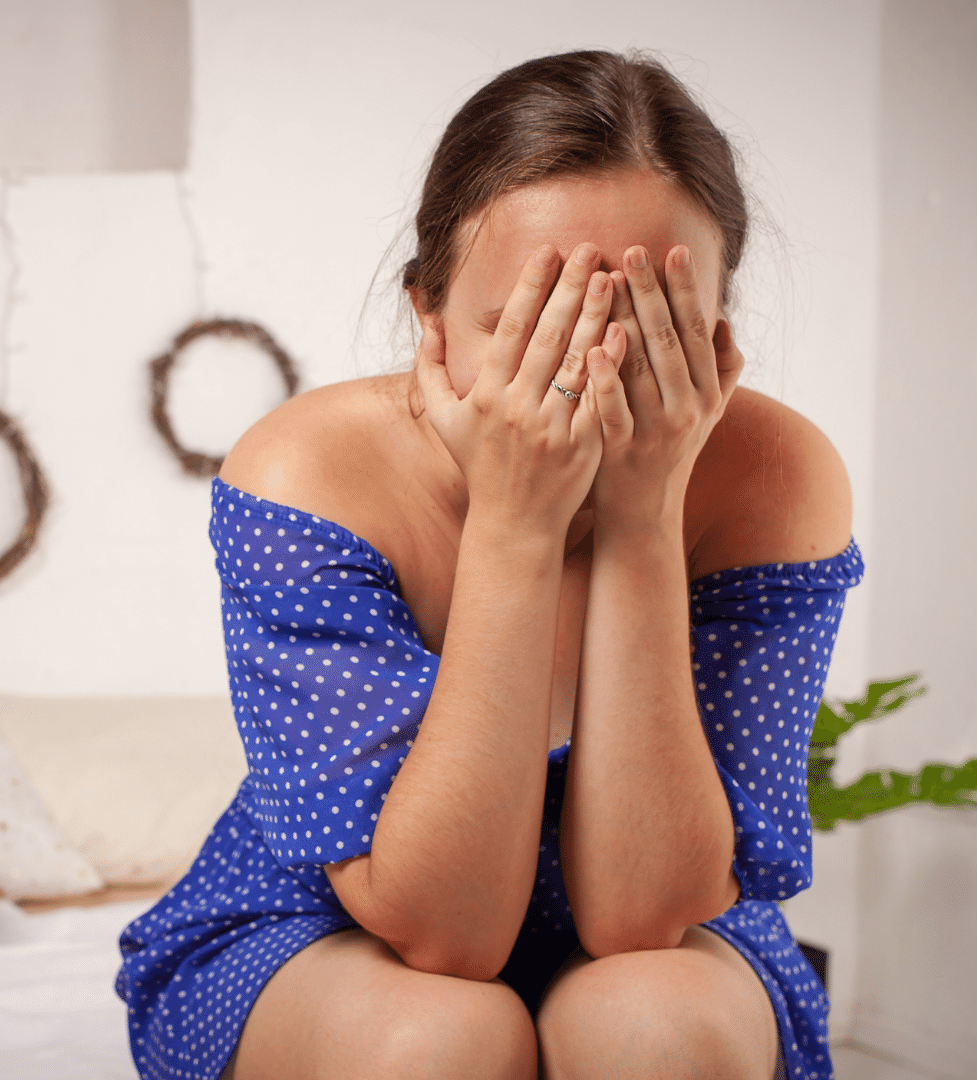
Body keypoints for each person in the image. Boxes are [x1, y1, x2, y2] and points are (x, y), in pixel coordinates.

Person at [116, 50, 857, 1080]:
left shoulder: (775, 474)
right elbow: (444, 935)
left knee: (656, 1027)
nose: (588, 378)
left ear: (719, 335)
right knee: (441, 1040)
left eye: (644, 329)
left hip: (662, 936)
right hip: (332, 933)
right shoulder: (309, 470)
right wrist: (515, 526)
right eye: (530, 332)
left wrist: (646, 517)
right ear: (430, 319)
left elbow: (643, 917)